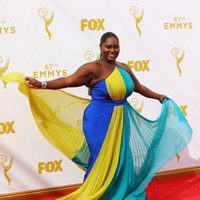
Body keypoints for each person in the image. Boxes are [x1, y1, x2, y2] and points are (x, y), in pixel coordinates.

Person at [3, 32, 192, 200]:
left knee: (120, 158)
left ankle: (117, 192)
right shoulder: (93, 68)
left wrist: (159, 96)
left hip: (122, 119)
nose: (112, 50)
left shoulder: (124, 68)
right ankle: (97, 193)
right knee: (101, 158)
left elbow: (139, 88)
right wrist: (42, 83)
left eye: (115, 46)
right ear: (101, 47)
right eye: (108, 46)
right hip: (98, 121)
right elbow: (68, 81)